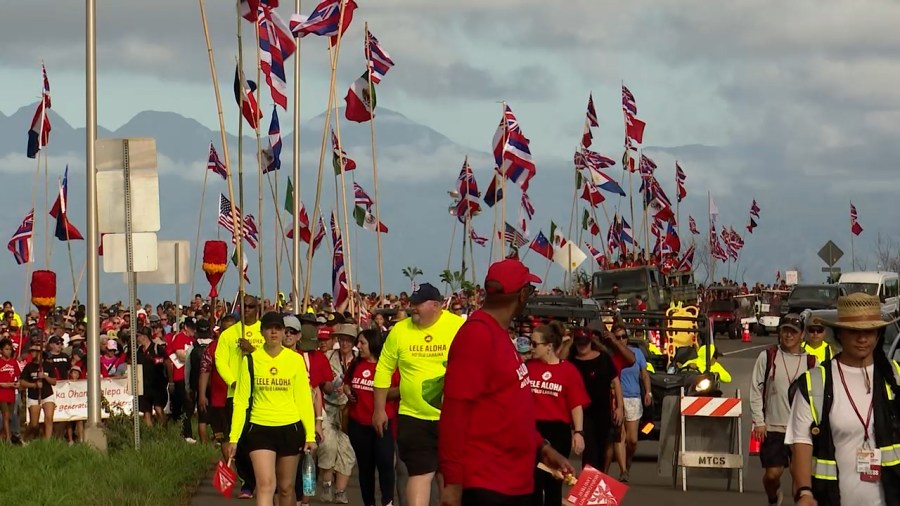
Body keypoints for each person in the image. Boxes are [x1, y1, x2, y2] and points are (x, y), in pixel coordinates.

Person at [440, 259, 575, 506]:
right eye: (530, 290)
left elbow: (510, 408)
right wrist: (452, 483)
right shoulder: (477, 335)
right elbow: (454, 412)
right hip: (488, 483)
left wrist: (542, 447)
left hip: (514, 481)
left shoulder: (498, 334)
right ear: (522, 294)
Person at [787, 293, 900, 506]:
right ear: (839, 333)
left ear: (879, 333)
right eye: (854, 331)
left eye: (869, 331)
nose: (863, 338)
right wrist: (804, 492)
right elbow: (801, 442)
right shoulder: (814, 383)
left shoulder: (896, 377)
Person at [373, 283, 464, 506]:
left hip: (452, 418)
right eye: (412, 304)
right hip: (413, 416)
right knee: (419, 474)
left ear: (436, 306)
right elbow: (383, 369)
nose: (413, 308)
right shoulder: (400, 331)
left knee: (450, 477)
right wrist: (378, 409)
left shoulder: (459, 326)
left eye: (418, 304)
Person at [223, 312, 317, 506]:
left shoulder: (295, 360)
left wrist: (310, 435)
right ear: (262, 331)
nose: (273, 332)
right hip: (259, 428)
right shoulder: (250, 360)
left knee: (285, 487)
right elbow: (241, 402)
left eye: (278, 328)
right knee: (266, 485)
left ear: (283, 332)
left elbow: (303, 400)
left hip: (290, 428)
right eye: (269, 328)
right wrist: (234, 437)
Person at [750, 313, 816, 506]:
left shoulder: (811, 363)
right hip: (773, 427)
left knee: (799, 475)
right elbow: (756, 388)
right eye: (785, 331)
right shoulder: (768, 356)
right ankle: (772, 497)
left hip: (800, 431)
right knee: (772, 474)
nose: (789, 336)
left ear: (802, 335)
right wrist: (759, 422)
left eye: (793, 332)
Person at [526, 321, 590, 506]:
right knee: (533, 481)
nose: (531, 347)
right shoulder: (529, 367)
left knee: (553, 482)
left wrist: (578, 433)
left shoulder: (568, 371)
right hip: (532, 429)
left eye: (535, 343)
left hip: (557, 430)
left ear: (549, 347)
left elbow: (576, 404)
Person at [216, 295, 265, 499]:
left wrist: (252, 350)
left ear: (258, 309)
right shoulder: (229, 334)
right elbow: (220, 360)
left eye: (251, 307)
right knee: (240, 440)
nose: (247, 310)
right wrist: (233, 381)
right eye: (243, 307)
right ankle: (247, 482)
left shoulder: (265, 332)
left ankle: (262, 478)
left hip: (261, 394)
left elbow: (270, 358)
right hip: (236, 394)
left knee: (260, 440)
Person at [345, 328, 400, 506]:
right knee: (365, 468)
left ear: (373, 344)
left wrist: (381, 393)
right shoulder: (356, 364)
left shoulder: (388, 367)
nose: (358, 346)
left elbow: (400, 390)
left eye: (362, 343)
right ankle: (368, 502)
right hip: (358, 424)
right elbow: (346, 383)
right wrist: (348, 392)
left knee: (385, 464)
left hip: (382, 423)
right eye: (358, 343)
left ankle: (387, 501)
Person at [320, 324, 359, 504]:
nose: (344, 343)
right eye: (342, 339)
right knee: (327, 446)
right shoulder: (327, 357)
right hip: (328, 407)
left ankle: (340, 491)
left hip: (349, 410)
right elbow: (321, 381)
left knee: (347, 450)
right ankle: (327, 484)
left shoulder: (359, 360)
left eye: (348, 340)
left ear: (353, 342)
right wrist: (330, 386)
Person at [610, 325, 651, 483]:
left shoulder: (637, 353)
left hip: (634, 398)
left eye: (623, 337)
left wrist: (648, 392)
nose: (621, 340)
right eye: (617, 337)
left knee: (632, 440)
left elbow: (645, 374)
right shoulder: (611, 354)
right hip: (617, 398)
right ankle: (623, 470)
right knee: (620, 435)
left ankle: (628, 461)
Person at [20, 343, 56, 440]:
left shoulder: (48, 365)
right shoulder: (29, 366)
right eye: (31, 351)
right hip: (33, 396)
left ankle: (47, 443)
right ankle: (24, 438)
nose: (32, 353)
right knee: (34, 424)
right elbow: (22, 382)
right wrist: (34, 385)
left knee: (49, 419)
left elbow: (54, 381)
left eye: (34, 351)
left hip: (47, 394)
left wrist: (44, 376)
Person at [136, 326, 168, 427]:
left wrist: (156, 360)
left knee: (158, 408)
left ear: (144, 336)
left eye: (138, 336)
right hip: (144, 385)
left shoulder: (157, 348)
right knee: (146, 411)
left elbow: (167, 362)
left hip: (157, 384)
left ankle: (165, 430)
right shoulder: (138, 351)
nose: (137, 338)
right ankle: (150, 434)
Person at [0, 338, 20, 442]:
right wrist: (6, 384)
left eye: (10, 349)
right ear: (1, 350)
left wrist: (17, 383)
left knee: (10, 417)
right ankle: (8, 439)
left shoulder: (13, 362)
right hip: (2, 393)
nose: (8, 351)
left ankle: (2, 435)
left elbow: (18, 375)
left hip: (12, 393)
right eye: (6, 349)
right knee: (6, 415)